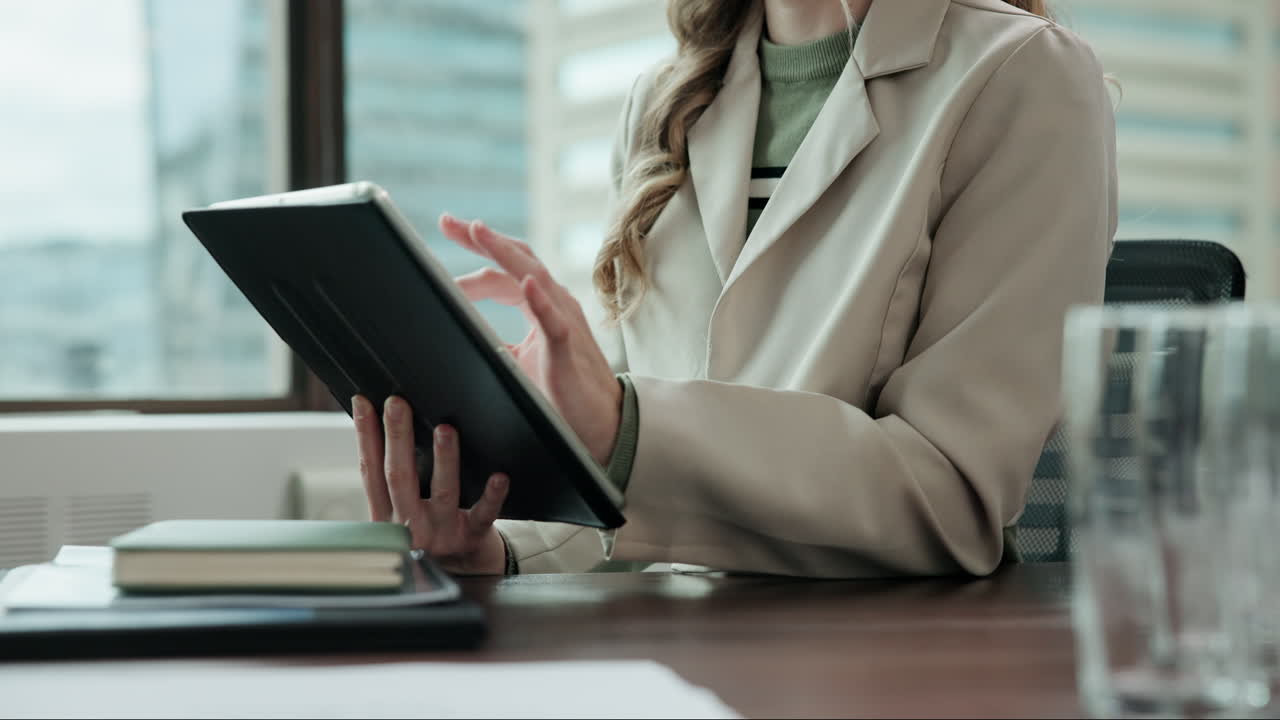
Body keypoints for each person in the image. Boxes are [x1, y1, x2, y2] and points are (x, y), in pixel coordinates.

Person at [350, 0, 1117, 578]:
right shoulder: (663, 99)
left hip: (883, 666)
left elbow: (954, 497)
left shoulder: (1028, 77)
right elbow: (622, 491)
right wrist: (500, 550)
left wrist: (627, 426)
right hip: (673, 647)